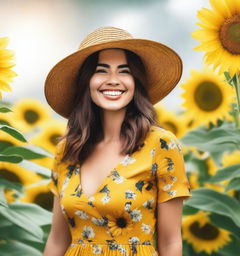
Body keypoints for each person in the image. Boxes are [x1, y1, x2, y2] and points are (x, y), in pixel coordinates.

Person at [43, 26, 191, 256]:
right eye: (102, 71)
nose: (113, 80)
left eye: (124, 71)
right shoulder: (67, 150)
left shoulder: (160, 145)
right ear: (87, 81)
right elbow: (56, 241)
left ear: (135, 82)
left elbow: (171, 242)